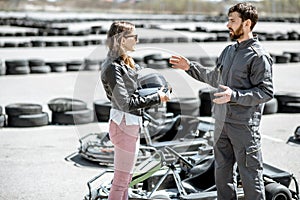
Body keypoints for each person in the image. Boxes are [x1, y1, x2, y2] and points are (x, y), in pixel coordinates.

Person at [169, 3, 273, 200]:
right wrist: (189, 67)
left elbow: (266, 92)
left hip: (243, 126)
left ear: (247, 23)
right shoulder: (228, 51)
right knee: (222, 174)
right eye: (228, 20)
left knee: (250, 175)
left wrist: (234, 95)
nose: (228, 25)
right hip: (221, 121)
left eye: (232, 21)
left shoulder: (259, 56)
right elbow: (215, 78)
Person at [101, 21, 169, 200]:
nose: (137, 41)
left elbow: (141, 83)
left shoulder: (126, 62)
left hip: (129, 125)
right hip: (124, 126)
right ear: (122, 40)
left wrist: (161, 88)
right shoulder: (113, 67)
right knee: (121, 181)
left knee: (127, 179)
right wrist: (157, 98)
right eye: (134, 37)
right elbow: (125, 102)